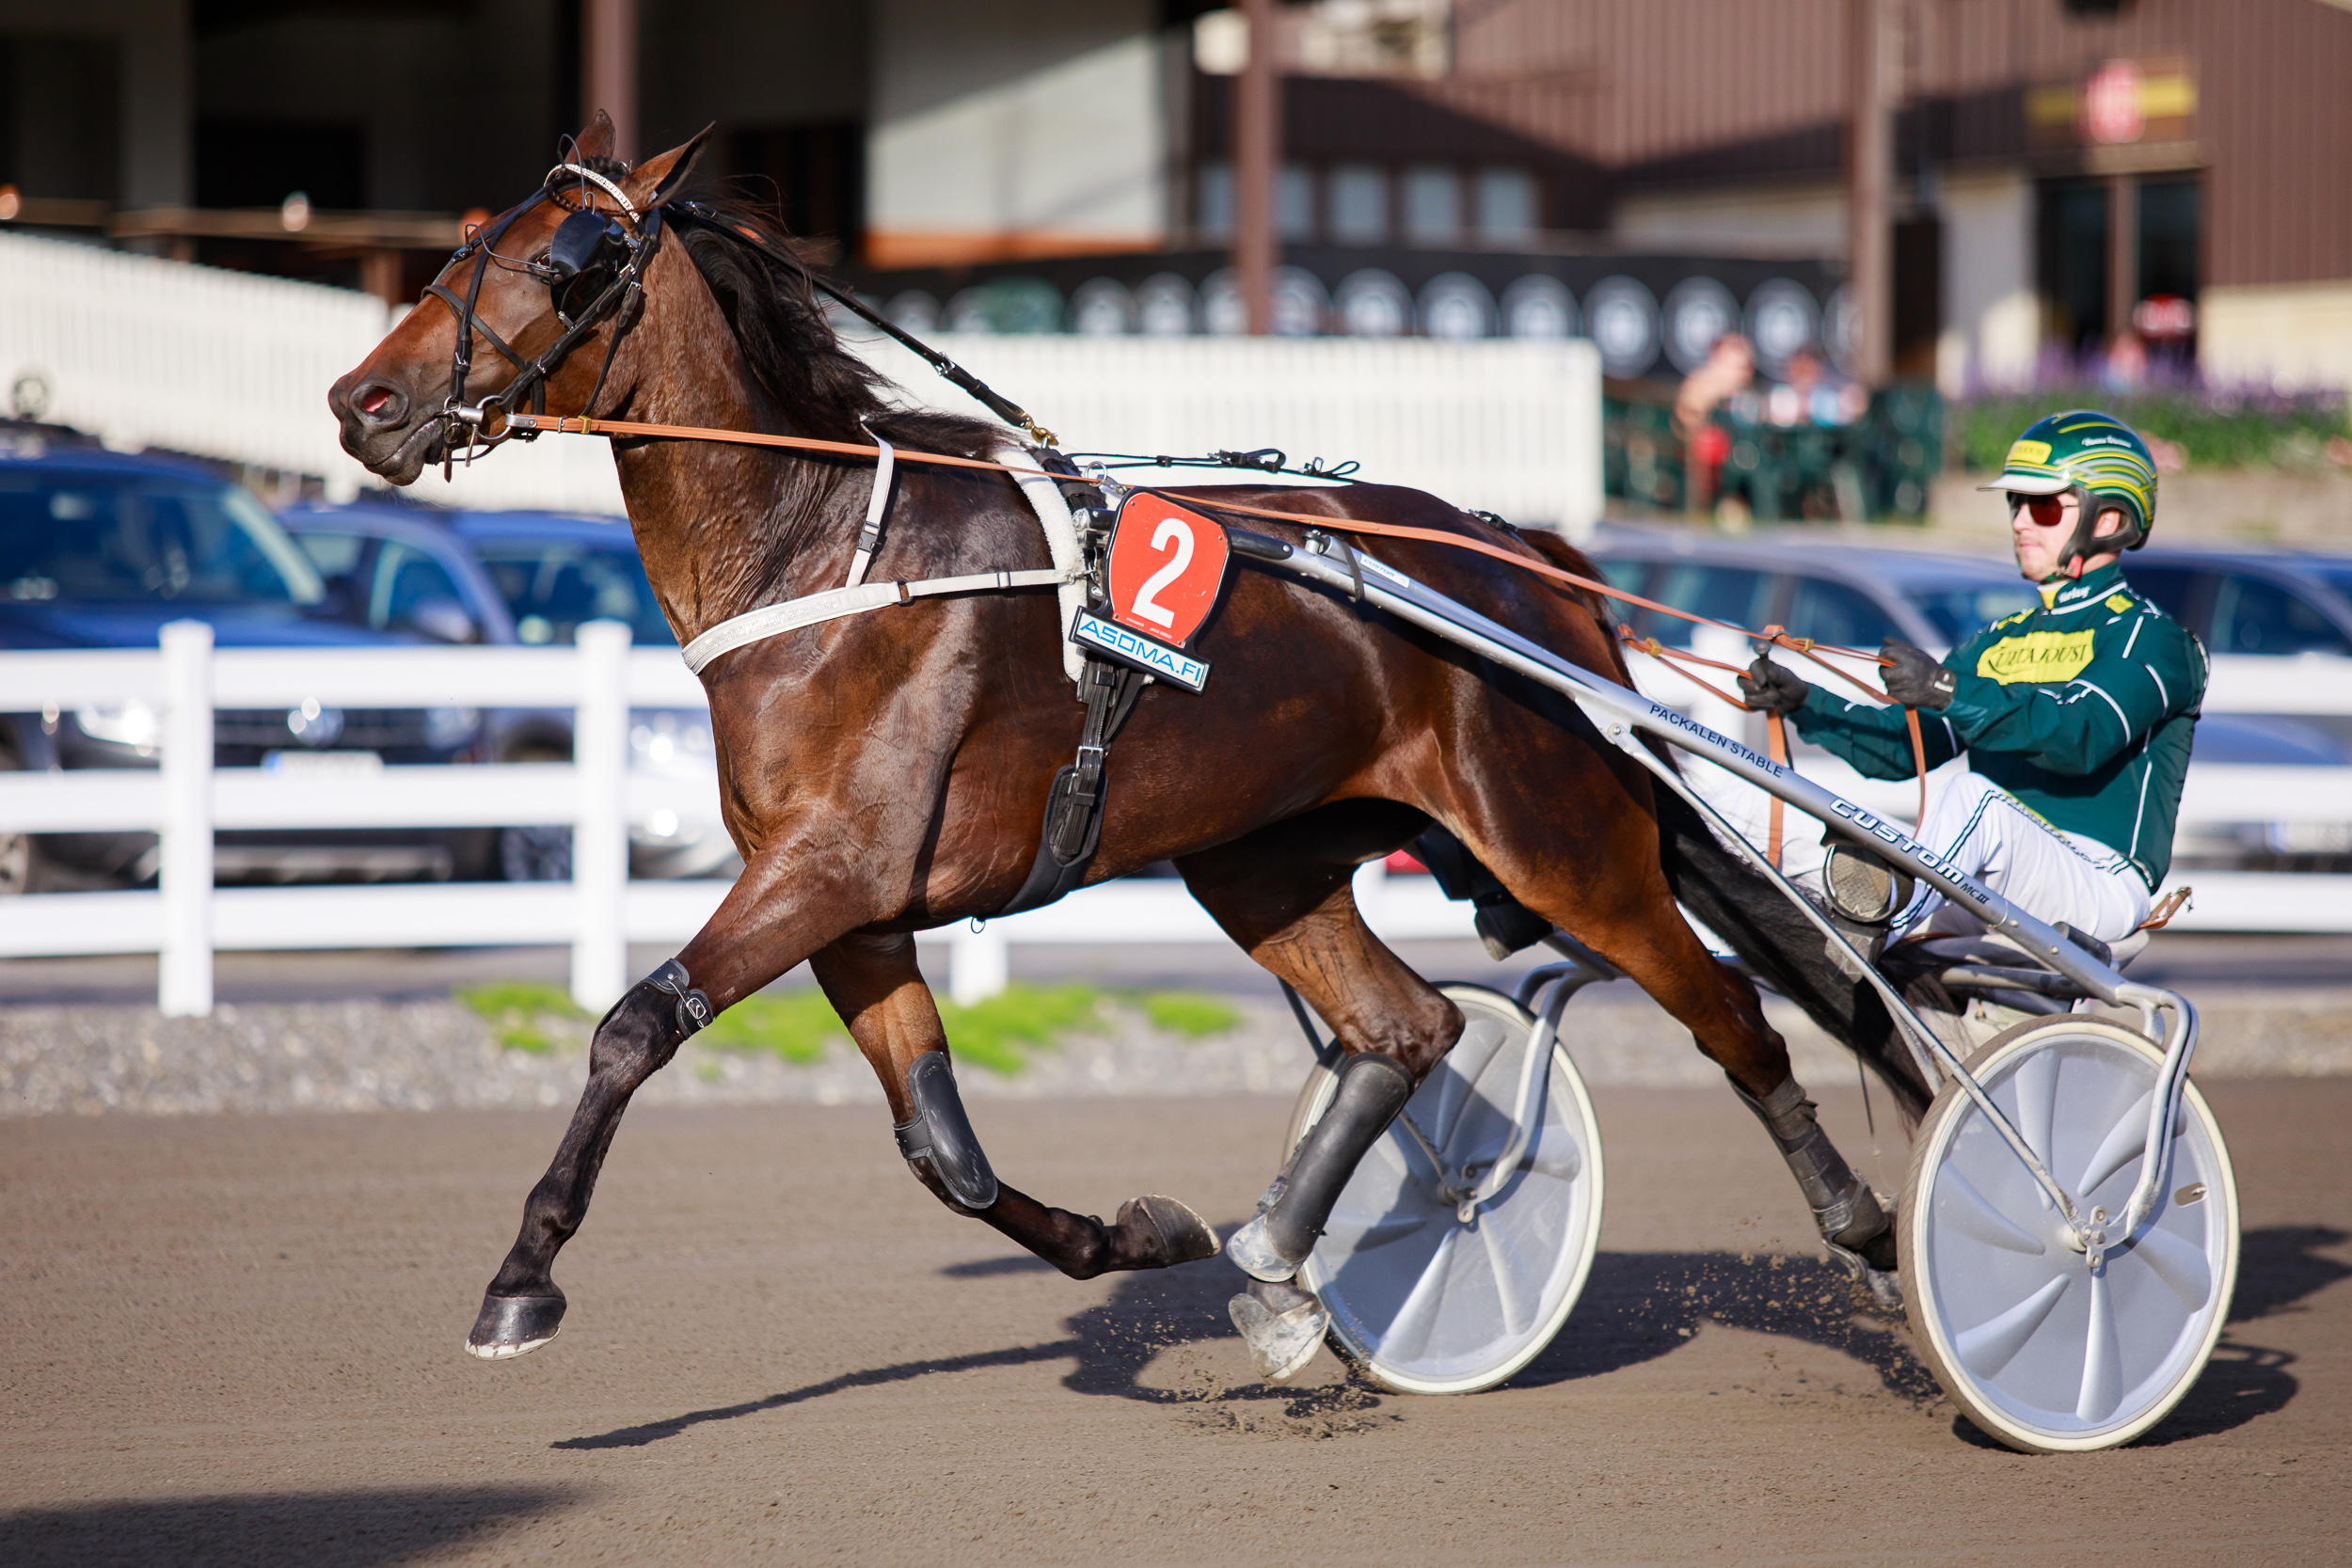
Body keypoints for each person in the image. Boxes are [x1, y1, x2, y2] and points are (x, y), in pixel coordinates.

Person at [1738, 409, 2204, 946]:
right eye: (2016, 503)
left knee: (1973, 799)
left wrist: (1946, 688)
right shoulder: (1998, 641)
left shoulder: (2155, 640)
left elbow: (2078, 736)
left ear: (2108, 520)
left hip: (2099, 883)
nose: (2021, 521)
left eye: (2045, 505)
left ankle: (1873, 932)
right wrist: (1805, 704)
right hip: (1991, 878)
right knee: (1787, 824)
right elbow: (1901, 751)